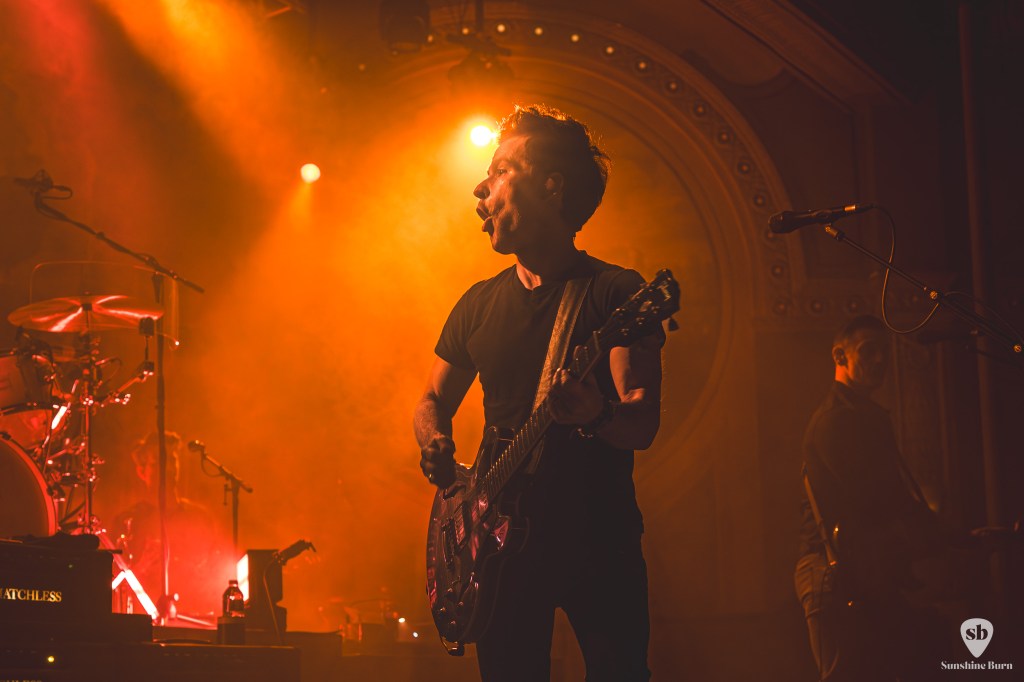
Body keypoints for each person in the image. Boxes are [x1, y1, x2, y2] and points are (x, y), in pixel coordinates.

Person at [414, 104, 664, 681]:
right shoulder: (477, 303)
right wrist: (434, 441)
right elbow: (431, 399)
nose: (481, 187)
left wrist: (596, 414)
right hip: (499, 548)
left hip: (598, 542)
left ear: (551, 188)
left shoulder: (617, 294)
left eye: (500, 170)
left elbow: (642, 422)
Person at [794, 315, 949, 681]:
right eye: (868, 351)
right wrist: (944, 537)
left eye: (884, 352)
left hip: (861, 576)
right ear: (839, 355)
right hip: (835, 577)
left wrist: (955, 537)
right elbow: (878, 501)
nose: (880, 360)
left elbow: (891, 501)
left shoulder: (864, 417)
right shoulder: (837, 421)